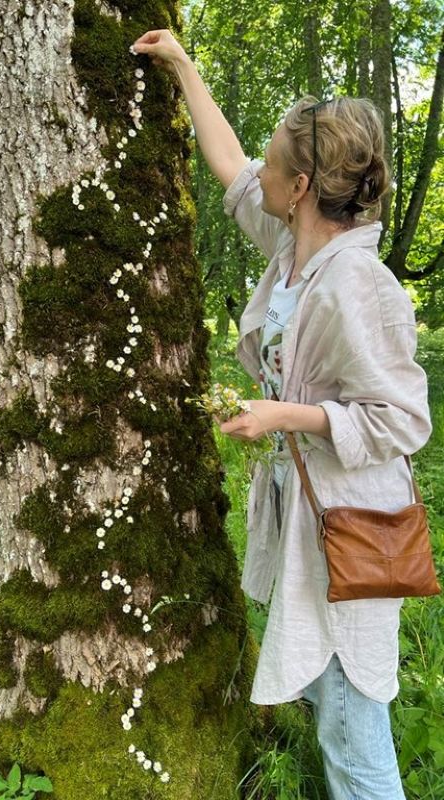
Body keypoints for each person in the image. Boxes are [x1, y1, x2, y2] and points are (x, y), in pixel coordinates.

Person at [131, 29, 432, 800]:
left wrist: (285, 417)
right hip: (314, 516)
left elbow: (403, 423)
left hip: (353, 528)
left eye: (275, 161)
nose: (259, 170)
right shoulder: (291, 252)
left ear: (300, 187)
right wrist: (184, 66)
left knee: (351, 724)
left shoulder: (358, 285)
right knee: (330, 705)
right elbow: (230, 168)